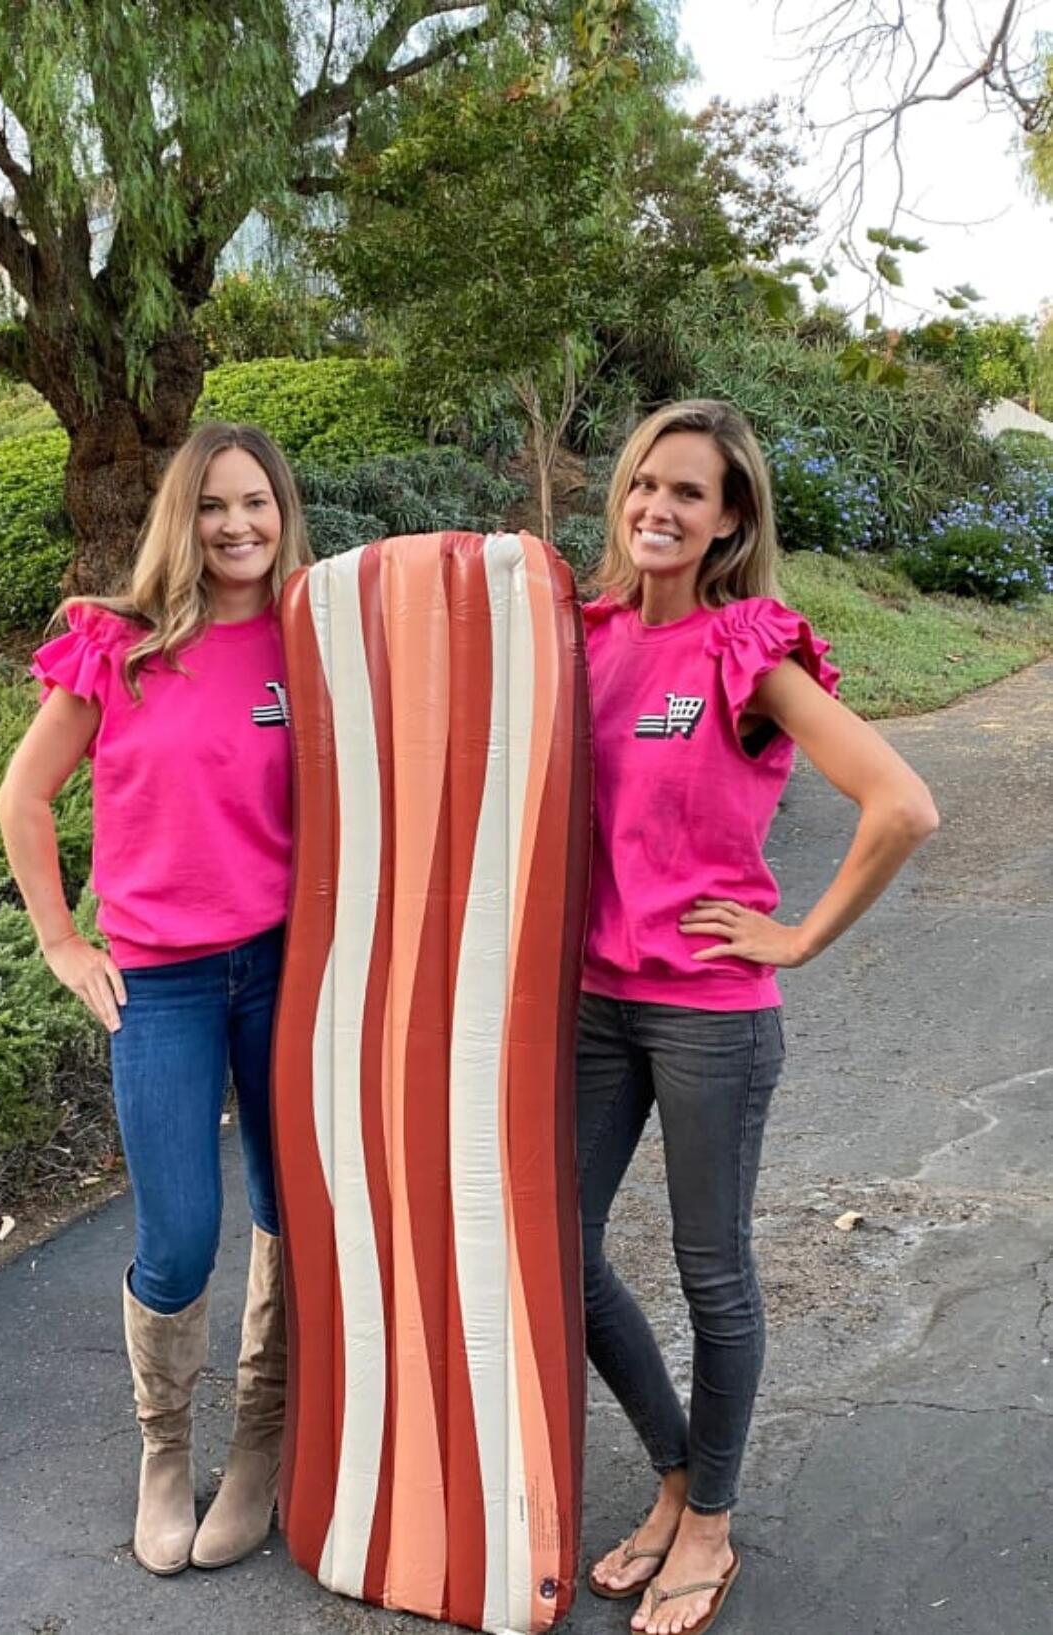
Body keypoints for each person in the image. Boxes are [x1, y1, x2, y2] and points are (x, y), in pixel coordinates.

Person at [577, 400, 938, 1634]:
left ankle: (711, 1525)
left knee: (710, 1271)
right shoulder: (584, 638)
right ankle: (675, 1475)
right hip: (591, 1005)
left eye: (688, 493)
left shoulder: (746, 650)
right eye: (642, 486)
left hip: (706, 1019)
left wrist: (794, 934)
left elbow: (899, 804)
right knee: (559, 1256)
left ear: (730, 519)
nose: (657, 510)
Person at [0, 422, 312, 1577]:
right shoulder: (117, 650)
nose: (239, 525)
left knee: (290, 1212)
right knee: (178, 1236)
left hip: (284, 971)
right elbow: (23, 799)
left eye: (258, 505)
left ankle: (261, 1442)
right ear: (183, 516)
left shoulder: (311, 643)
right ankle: (165, 1452)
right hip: (165, 985)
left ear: (283, 516)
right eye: (217, 505)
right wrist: (62, 942)